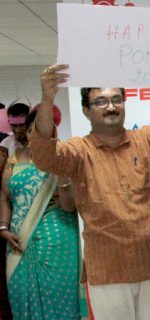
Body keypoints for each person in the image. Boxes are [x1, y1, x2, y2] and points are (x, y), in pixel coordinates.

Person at [29, 63, 150, 319]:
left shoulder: (147, 140)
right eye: (100, 102)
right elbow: (45, 156)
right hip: (109, 272)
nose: (110, 107)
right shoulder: (79, 151)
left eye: (116, 99)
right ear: (86, 111)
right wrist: (47, 99)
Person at [0, 111, 81, 319]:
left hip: (57, 240)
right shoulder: (13, 159)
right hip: (18, 242)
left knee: (60, 299)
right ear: (26, 133)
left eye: (43, 132)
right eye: (31, 131)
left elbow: (71, 205)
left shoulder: (64, 156)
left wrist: (62, 177)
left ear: (53, 133)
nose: (36, 136)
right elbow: (4, 197)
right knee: (20, 295)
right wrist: (3, 228)